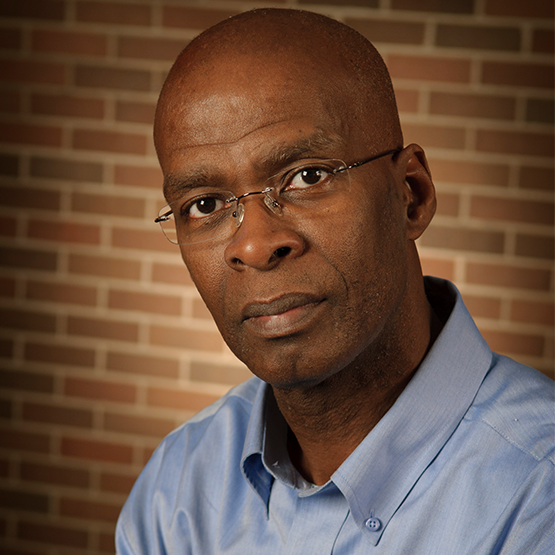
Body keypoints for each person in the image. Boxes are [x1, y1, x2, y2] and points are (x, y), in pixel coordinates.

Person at [116, 8, 554, 554]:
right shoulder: (174, 492)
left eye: (307, 176)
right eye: (204, 204)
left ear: (410, 196)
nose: (253, 244)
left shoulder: (539, 498)